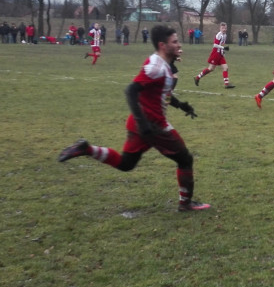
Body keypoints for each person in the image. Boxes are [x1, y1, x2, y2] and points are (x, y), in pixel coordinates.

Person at [58, 25, 210, 212]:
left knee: (126, 164)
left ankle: (87, 148)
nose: (179, 45)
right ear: (163, 45)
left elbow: (161, 93)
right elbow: (131, 90)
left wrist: (181, 105)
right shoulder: (156, 67)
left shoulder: (162, 65)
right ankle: (185, 204)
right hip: (154, 126)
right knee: (185, 159)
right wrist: (144, 123)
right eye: (175, 42)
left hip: (142, 124)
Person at [193, 22, 235, 89]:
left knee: (225, 67)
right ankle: (197, 78)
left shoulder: (225, 35)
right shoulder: (219, 35)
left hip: (220, 54)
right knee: (211, 69)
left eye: (225, 28)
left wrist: (223, 52)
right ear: (220, 28)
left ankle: (227, 84)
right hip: (215, 54)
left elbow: (221, 44)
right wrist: (223, 48)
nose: (224, 29)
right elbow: (215, 45)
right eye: (222, 28)